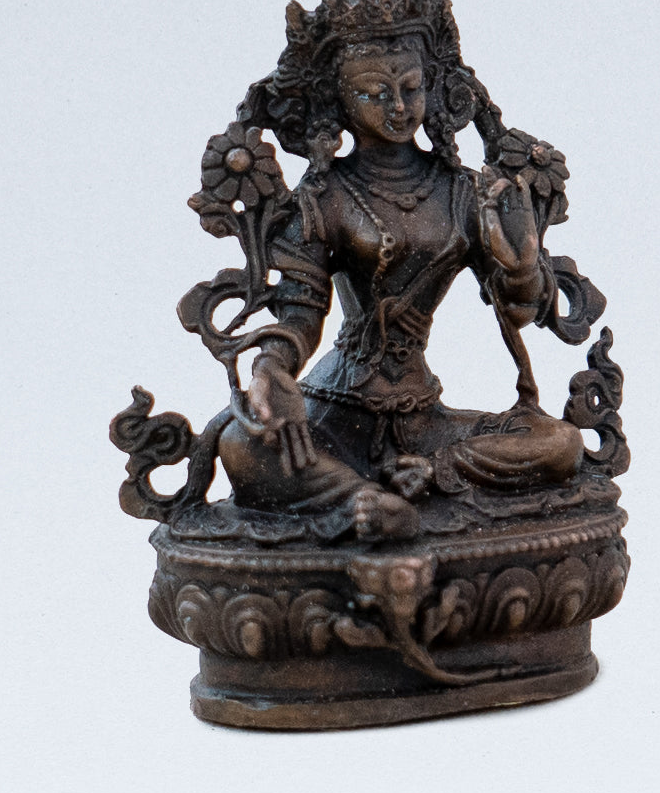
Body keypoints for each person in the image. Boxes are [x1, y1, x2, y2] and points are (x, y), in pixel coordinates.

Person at [216, 32, 583, 539]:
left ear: (433, 88)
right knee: (240, 445)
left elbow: (519, 313)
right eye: (375, 93)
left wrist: (520, 264)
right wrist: (271, 370)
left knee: (561, 443)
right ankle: (364, 501)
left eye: (411, 88)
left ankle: (427, 475)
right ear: (339, 101)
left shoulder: (464, 191)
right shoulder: (324, 196)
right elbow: (301, 313)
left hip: (424, 417)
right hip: (338, 409)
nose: (398, 107)